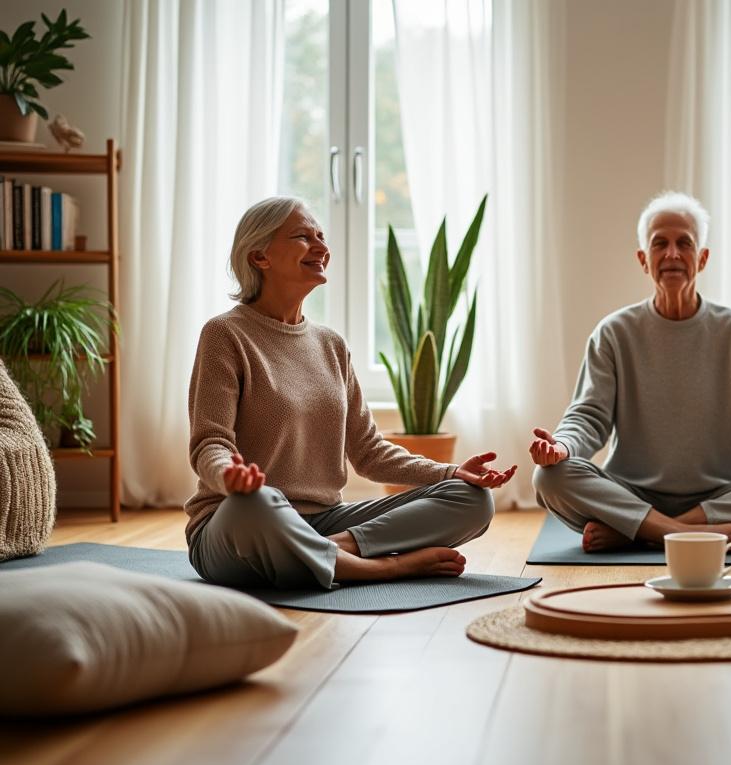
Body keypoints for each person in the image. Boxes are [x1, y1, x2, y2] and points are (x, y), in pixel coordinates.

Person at [185, 196, 515, 589]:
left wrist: (450, 472)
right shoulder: (225, 334)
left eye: (321, 236)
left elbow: (369, 453)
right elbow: (210, 444)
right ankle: (384, 567)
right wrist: (230, 478)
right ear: (260, 257)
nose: (322, 247)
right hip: (239, 523)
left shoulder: (331, 345)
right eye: (303, 237)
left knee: (473, 500)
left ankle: (330, 551)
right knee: (261, 502)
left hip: (323, 520)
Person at [530, 191, 731, 553]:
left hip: (721, 497)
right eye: (660, 244)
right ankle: (690, 533)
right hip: (631, 491)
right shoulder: (613, 333)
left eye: (684, 244)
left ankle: (646, 531)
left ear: (702, 258)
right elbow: (589, 415)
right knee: (549, 478)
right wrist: (561, 447)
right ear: (644, 260)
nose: (672, 254)